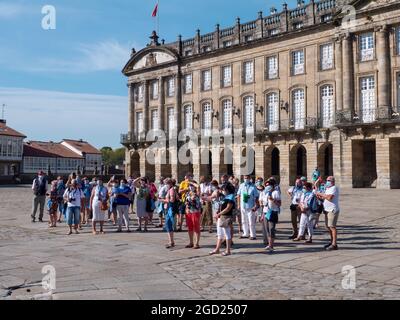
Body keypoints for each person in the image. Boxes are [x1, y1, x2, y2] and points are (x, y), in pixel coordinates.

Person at [209, 183, 235, 256]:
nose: (222, 191)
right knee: (219, 234)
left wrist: (219, 214)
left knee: (227, 234)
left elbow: (228, 208)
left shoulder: (231, 197)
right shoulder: (224, 196)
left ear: (227, 190)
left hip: (226, 216)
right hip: (220, 216)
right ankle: (217, 249)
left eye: (223, 189)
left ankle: (228, 250)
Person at [317, 176, 340, 251]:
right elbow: (325, 198)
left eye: (328, 180)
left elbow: (330, 198)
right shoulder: (328, 188)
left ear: (333, 181)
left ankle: (334, 244)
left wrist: (320, 193)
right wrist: (319, 196)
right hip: (326, 210)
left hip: (332, 210)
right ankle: (331, 242)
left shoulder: (334, 188)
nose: (327, 181)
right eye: (326, 180)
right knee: (328, 227)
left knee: (332, 227)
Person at [236, 175, 259, 240]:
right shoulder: (241, 185)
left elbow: (256, 196)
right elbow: (238, 195)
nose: (246, 179)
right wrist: (238, 204)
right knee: (243, 220)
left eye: (247, 178)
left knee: (251, 221)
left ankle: (253, 235)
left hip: (250, 206)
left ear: (250, 179)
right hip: (243, 205)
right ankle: (245, 233)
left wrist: (256, 205)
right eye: (245, 178)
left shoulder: (253, 186)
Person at [263, 179, 281, 252]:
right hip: (265, 212)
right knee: (267, 229)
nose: (267, 187)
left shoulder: (276, 192)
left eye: (269, 185)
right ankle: (269, 244)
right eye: (266, 185)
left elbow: (279, 204)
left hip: (273, 212)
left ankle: (271, 245)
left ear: (272, 186)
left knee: (271, 229)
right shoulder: (265, 192)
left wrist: (272, 200)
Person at [184, 181, 202, 249]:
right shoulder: (187, 193)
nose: (190, 187)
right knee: (190, 228)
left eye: (191, 186)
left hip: (196, 212)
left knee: (196, 227)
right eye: (189, 186)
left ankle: (196, 243)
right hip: (189, 212)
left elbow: (198, 186)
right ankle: (191, 242)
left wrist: (192, 182)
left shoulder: (197, 193)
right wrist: (186, 209)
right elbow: (186, 202)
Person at [163, 178, 179, 248]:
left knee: (168, 225)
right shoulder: (171, 189)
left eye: (166, 184)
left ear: (170, 184)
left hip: (170, 209)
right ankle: (171, 241)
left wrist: (162, 200)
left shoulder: (171, 190)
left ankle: (171, 242)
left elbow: (172, 200)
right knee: (168, 225)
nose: (165, 185)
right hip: (169, 209)